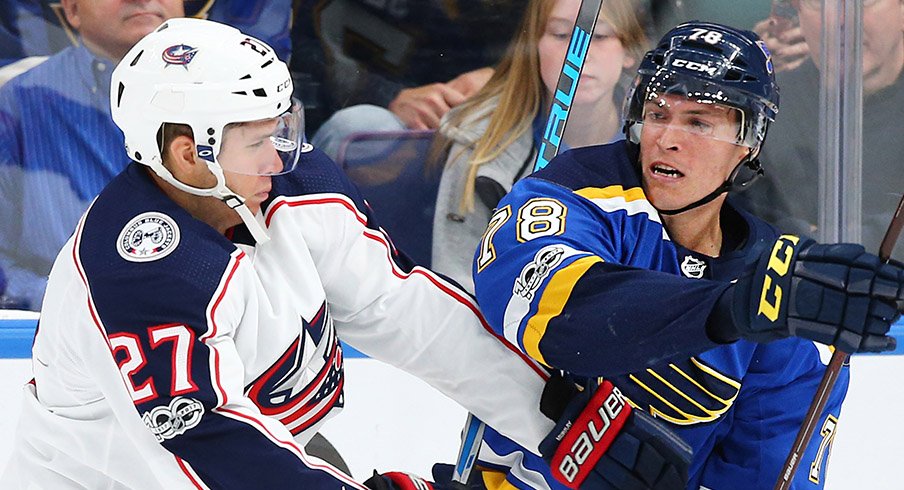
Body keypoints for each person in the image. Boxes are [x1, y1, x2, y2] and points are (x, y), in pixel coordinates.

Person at [1, 18, 692, 489]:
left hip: (284, 452)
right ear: (189, 154)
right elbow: (210, 450)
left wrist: (561, 417)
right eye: (257, 137)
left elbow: (402, 310)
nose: (283, 150)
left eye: (282, 125)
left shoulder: (290, 186)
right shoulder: (140, 275)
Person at [466, 21, 903, 489]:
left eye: (699, 122)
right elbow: (560, 319)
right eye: (657, 113)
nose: (667, 137)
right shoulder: (571, 195)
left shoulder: (777, 283)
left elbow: (765, 473)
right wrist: (732, 309)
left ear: (749, 142)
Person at [431, 0, 649, 292]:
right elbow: (455, 284)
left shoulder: (660, 147)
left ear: (629, 50)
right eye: (561, 35)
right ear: (534, 46)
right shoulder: (482, 144)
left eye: (598, 36)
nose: (579, 53)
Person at [0, 0, 186, 310]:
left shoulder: (247, 92)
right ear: (71, 10)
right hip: (59, 339)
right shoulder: (18, 103)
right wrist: (72, 306)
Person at [739, 0, 904, 259]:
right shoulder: (760, 112)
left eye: (866, 2)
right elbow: (741, 227)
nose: (842, 21)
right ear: (798, 13)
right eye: (820, 3)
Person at [293, 0, 523, 157]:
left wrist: (501, 75)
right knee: (362, 126)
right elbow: (296, 52)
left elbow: (543, 33)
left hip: (463, 120)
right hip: (336, 127)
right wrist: (389, 96)